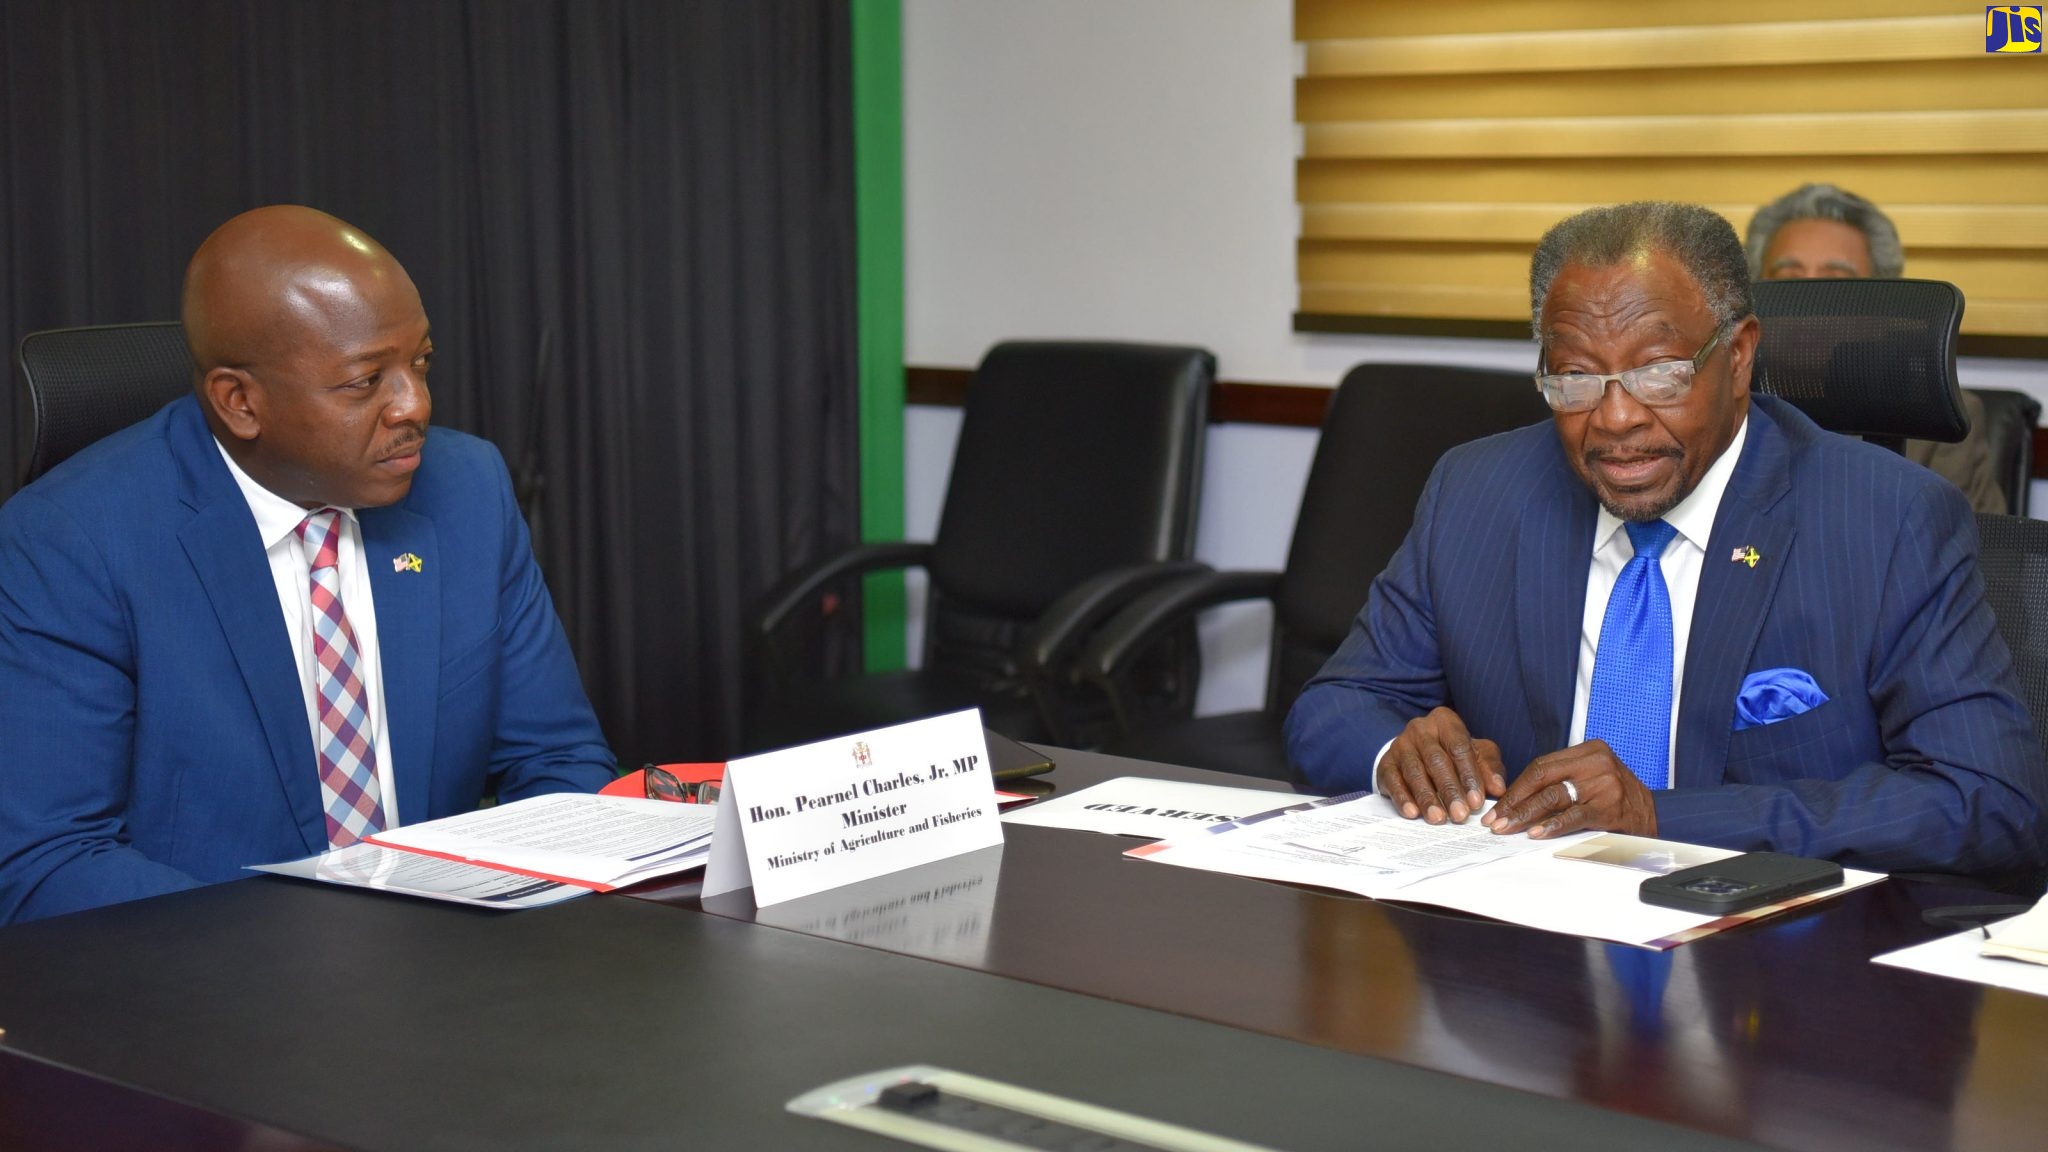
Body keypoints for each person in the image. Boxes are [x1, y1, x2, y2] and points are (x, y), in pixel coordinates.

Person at [1285, 201, 2045, 882]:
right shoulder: (1478, 491)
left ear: (1740, 356)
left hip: (1773, 968)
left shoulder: (1887, 518)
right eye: (1576, 377)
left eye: (1659, 373)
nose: (1615, 419)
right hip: (1525, 941)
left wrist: (1659, 819)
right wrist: (1400, 758)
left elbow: (1987, 799)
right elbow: (1334, 708)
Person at [0, 206, 616, 924]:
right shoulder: (71, 542)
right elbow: (46, 865)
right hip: (208, 997)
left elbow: (560, 764)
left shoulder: (467, 490)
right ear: (240, 403)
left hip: (456, 975)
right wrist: (315, 960)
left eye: (420, 363)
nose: (414, 404)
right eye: (364, 382)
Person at [1745, 182, 2007, 514]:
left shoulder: (1936, 423)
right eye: (1788, 279)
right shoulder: (1724, 407)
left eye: (1834, 283)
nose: (1808, 306)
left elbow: (1968, 554)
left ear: (1879, 305)